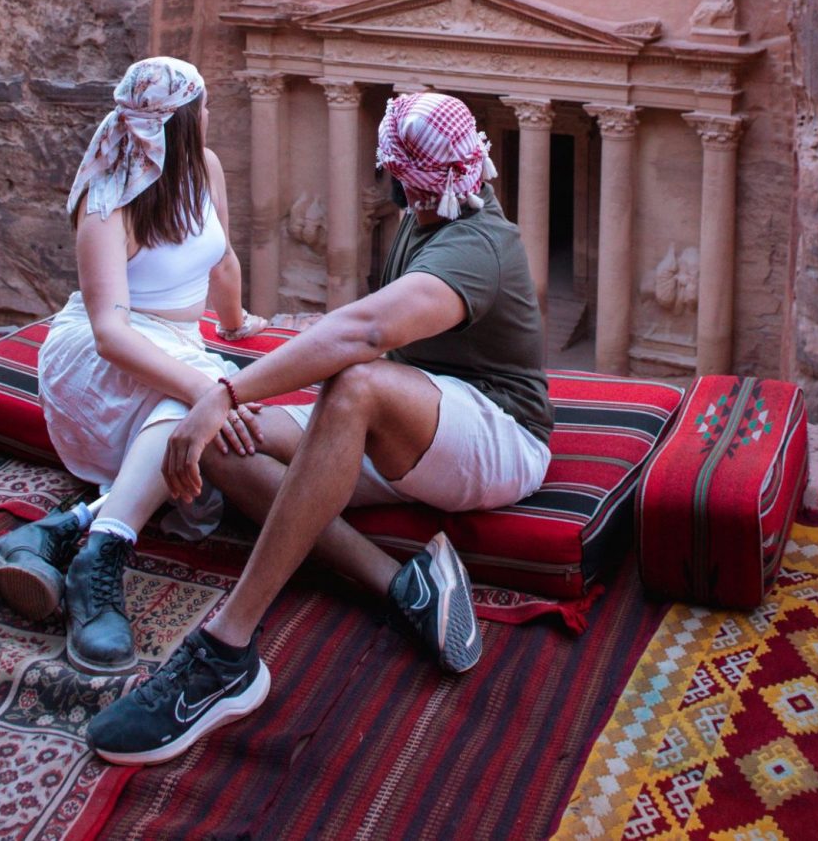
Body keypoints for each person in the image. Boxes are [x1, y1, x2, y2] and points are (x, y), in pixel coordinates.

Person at [87, 91, 553, 766]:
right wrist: (231, 405)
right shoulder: (439, 206)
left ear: (405, 176)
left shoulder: (476, 241)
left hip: (499, 435)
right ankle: (401, 583)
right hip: (423, 424)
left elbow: (366, 331)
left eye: (393, 172)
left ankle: (227, 649)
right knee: (228, 438)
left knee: (351, 384)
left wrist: (227, 388)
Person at [0, 56, 278, 675]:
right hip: (96, 355)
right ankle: (102, 562)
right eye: (203, 107)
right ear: (182, 121)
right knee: (191, 413)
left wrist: (238, 322)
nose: (211, 115)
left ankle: (67, 532)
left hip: (178, 346)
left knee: (200, 433)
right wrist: (205, 387)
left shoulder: (205, 167)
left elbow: (220, 262)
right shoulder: (108, 198)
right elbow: (110, 332)